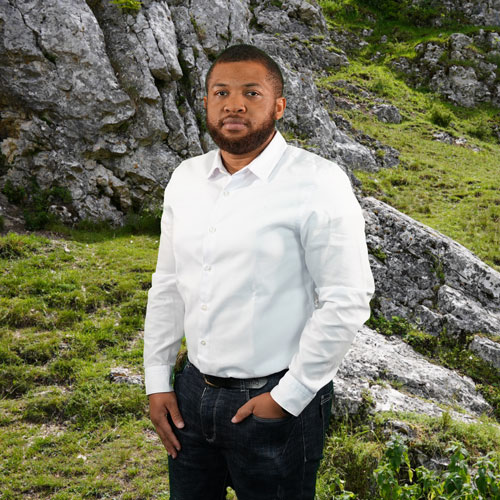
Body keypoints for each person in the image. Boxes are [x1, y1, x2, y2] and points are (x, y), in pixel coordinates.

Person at [143, 44, 374, 500]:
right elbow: (169, 285)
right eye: (220, 92)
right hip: (190, 395)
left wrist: (286, 399)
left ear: (279, 106)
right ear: (206, 103)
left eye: (251, 92)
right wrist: (157, 381)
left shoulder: (317, 181)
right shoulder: (185, 179)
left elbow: (347, 298)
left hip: (275, 398)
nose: (234, 104)